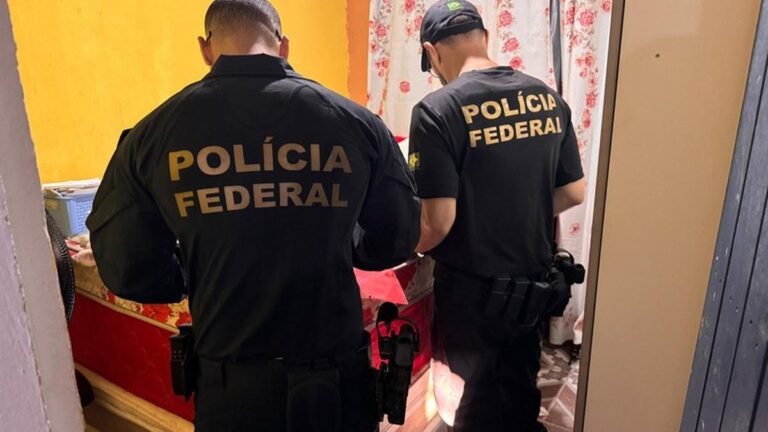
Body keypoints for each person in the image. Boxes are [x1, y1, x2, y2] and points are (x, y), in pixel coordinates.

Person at [86, 1, 419, 431]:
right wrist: (341, 240)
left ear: (206, 49)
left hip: (231, 388)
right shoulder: (355, 122)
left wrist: (195, 267)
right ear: (283, 45)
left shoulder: (153, 135)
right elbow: (396, 238)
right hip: (335, 386)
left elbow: (129, 269)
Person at [408, 1, 586, 431]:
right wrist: (514, 209)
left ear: (432, 52)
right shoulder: (547, 98)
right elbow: (573, 191)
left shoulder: (437, 110)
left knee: (471, 403)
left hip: (472, 295)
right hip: (534, 283)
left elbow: (437, 223)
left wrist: (400, 246)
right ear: (485, 37)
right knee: (519, 390)